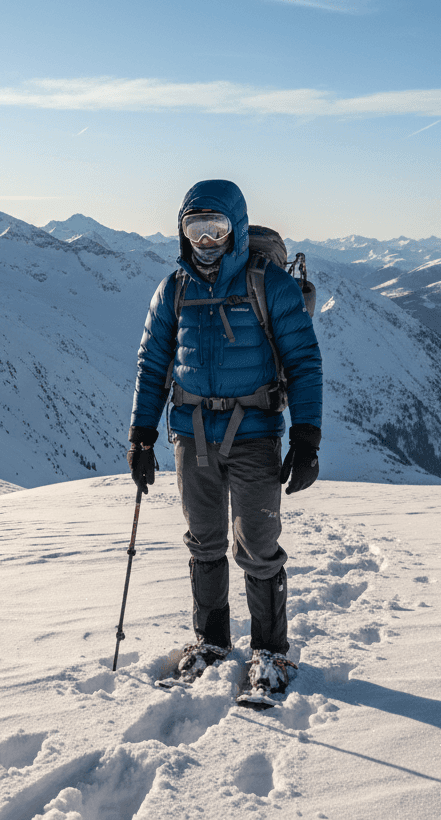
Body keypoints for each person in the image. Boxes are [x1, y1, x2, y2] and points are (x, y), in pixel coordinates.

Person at [127, 178, 322, 695]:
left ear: (235, 229)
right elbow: (152, 366)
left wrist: (306, 439)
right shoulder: (174, 290)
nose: (206, 241)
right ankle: (212, 641)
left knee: (258, 545)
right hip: (190, 436)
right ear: (182, 231)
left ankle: (270, 653)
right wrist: (141, 436)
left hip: (255, 433)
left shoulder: (270, 286)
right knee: (204, 541)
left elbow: (304, 362)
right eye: (196, 229)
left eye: (216, 229)